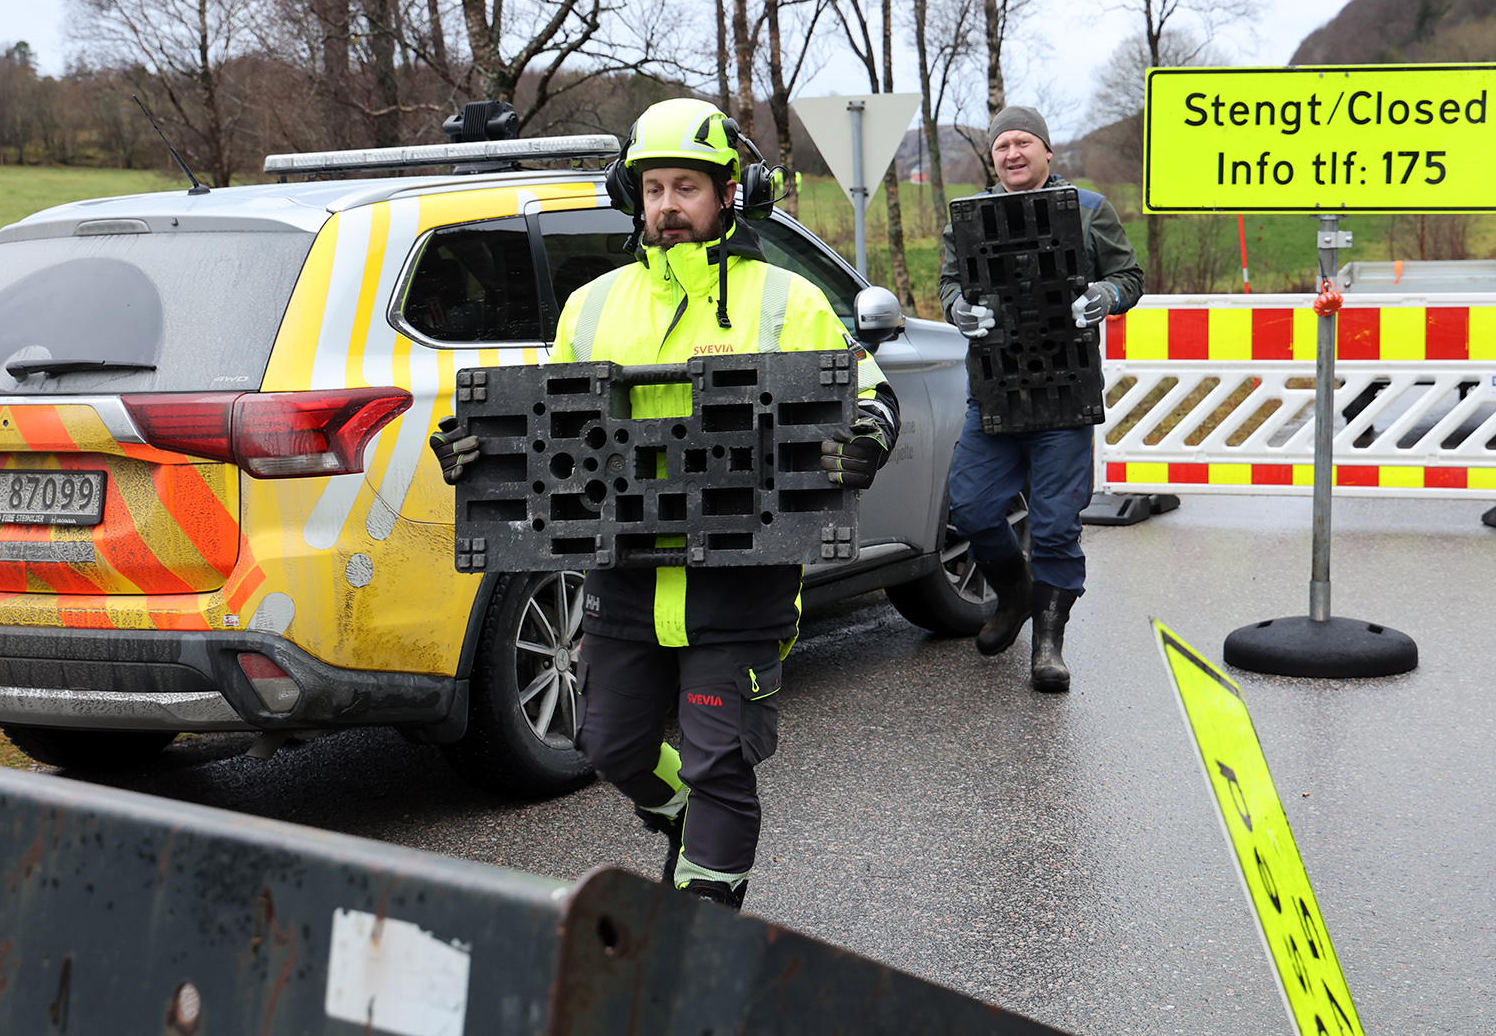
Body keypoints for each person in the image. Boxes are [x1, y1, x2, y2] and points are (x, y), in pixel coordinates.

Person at [432, 98, 899, 910]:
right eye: (653, 189)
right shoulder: (592, 306)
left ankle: (698, 926)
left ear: (728, 193)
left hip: (740, 577)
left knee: (720, 760)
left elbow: (869, 393)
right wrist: (480, 448)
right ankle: (684, 818)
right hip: (626, 577)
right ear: (633, 196)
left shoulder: (786, 300)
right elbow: (551, 423)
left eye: (686, 186)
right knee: (608, 742)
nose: (667, 206)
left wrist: (867, 437)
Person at [937, 105, 1143, 692]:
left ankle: (1048, 646)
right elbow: (950, 282)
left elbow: (1130, 277)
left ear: (1047, 151)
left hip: (1064, 395)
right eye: (1002, 146)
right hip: (994, 392)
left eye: (1023, 142)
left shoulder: (1088, 209)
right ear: (993, 159)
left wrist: (1105, 295)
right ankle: (1016, 594)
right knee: (971, 509)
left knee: (1054, 526)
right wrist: (958, 309)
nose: (1013, 154)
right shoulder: (969, 220)